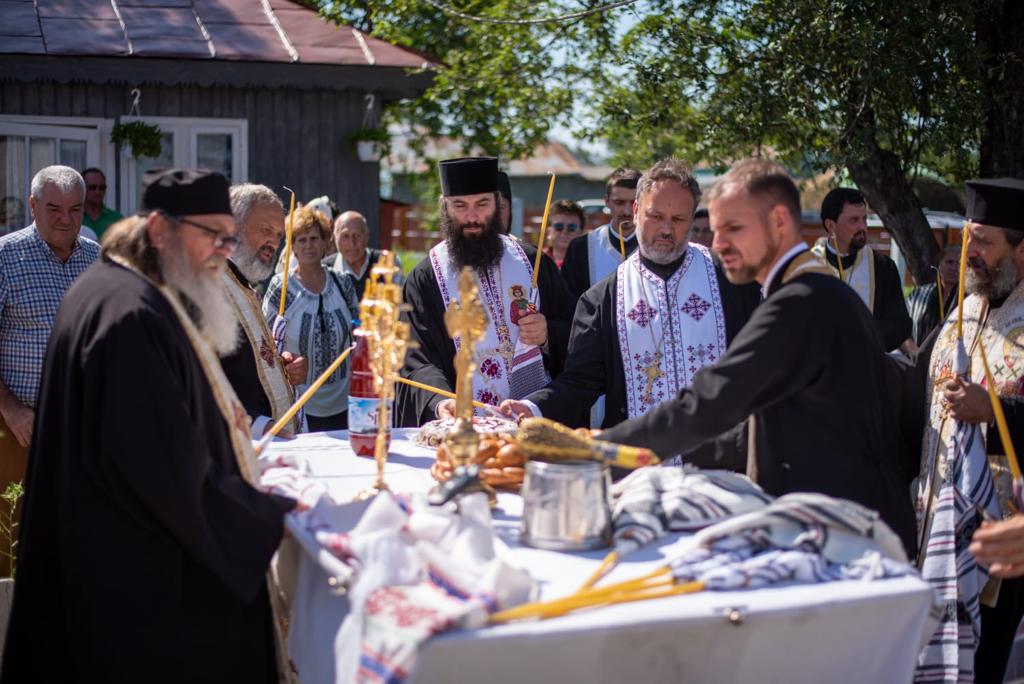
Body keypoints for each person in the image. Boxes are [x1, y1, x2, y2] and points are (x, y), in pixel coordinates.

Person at [1, 168, 295, 683]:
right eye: (211, 239)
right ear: (160, 233)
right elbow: (163, 475)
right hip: (125, 582)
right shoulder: (130, 316)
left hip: (98, 557)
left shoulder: (119, 286)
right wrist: (269, 514)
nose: (221, 255)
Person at [590, 158, 916, 553]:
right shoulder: (810, 291)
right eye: (714, 229)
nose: (718, 244)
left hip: (845, 535)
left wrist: (597, 455)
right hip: (840, 522)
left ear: (778, 222)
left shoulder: (801, 301)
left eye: (734, 228)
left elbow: (710, 402)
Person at [502, 159, 760, 432]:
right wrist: (533, 407)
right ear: (636, 212)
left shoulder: (733, 279)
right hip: (638, 462)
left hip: (719, 455)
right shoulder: (603, 300)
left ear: (693, 216)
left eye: (678, 219)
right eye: (656, 216)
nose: (665, 229)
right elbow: (579, 382)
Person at [913, 178, 1024, 682]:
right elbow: (914, 384)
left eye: (983, 241)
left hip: (1005, 550)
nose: (968, 252)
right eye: (967, 238)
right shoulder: (966, 307)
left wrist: (994, 413)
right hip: (938, 525)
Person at [397, 156, 575, 425]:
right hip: (462, 428)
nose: (472, 217)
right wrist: (440, 401)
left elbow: (577, 332)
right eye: (460, 206)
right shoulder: (426, 278)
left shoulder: (531, 263)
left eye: (482, 204)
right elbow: (414, 358)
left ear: (497, 204)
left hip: (531, 424)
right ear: (444, 207)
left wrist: (548, 333)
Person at [0, 166, 98, 575]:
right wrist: (11, 409)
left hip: (81, 433)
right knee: (11, 549)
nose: (66, 219)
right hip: (17, 431)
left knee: (74, 548)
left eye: (75, 210)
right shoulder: (5, 257)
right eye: (54, 209)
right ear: (33, 206)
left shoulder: (96, 259)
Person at [222, 183, 308, 437]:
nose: (274, 242)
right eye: (266, 230)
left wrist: (282, 369)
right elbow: (201, 377)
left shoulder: (244, 287)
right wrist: (259, 425)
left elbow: (244, 362)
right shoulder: (207, 287)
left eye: (280, 235)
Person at [265, 206, 359, 432]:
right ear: (293, 246)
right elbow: (266, 343)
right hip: (300, 405)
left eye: (314, 238)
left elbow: (358, 332)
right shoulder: (282, 287)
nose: (308, 245)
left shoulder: (343, 283)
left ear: (326, 243)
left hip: (345, 403)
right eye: (301, 239)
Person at [811, 187, 912, 351]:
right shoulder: (806, 268)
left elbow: (899, 326)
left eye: (864, 219)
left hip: (866, 369)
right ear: (830, 225)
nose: (863, 227)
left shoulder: (882, 268)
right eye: (854, 220)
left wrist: (860, 334)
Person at [560, 167, 642, 299]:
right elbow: (568, 304)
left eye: (633, 203)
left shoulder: (657, 246)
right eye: (619, 203)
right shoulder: (581, 248)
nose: (627, 211)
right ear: (607, 201)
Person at [331, 210, 404, 300]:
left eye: (357, 236)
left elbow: (399, 304)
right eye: (345, 236)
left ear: (367, 236)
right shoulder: (326, 270)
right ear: (335, 238)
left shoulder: (388, 263)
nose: (352, 243)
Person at [905, 242, 960, 346]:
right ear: (939, 265)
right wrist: (915, 353)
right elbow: (901, 328)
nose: (955, 267)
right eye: (950, 262)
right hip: (917, 358)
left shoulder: (971, 299)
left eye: (960, 263)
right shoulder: (919, 294)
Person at [80, 167, 123, 240]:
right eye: (92, 187)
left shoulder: (116, 219)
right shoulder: (74, 218)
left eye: (102, 188)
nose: (98, 192)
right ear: (82, 188)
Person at [544, 199, 584, 268]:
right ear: (549, 231)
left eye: (572, 227)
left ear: (581, 232)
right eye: (559, 226)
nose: (565, 231)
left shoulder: (589, 262)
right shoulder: (537, 260)